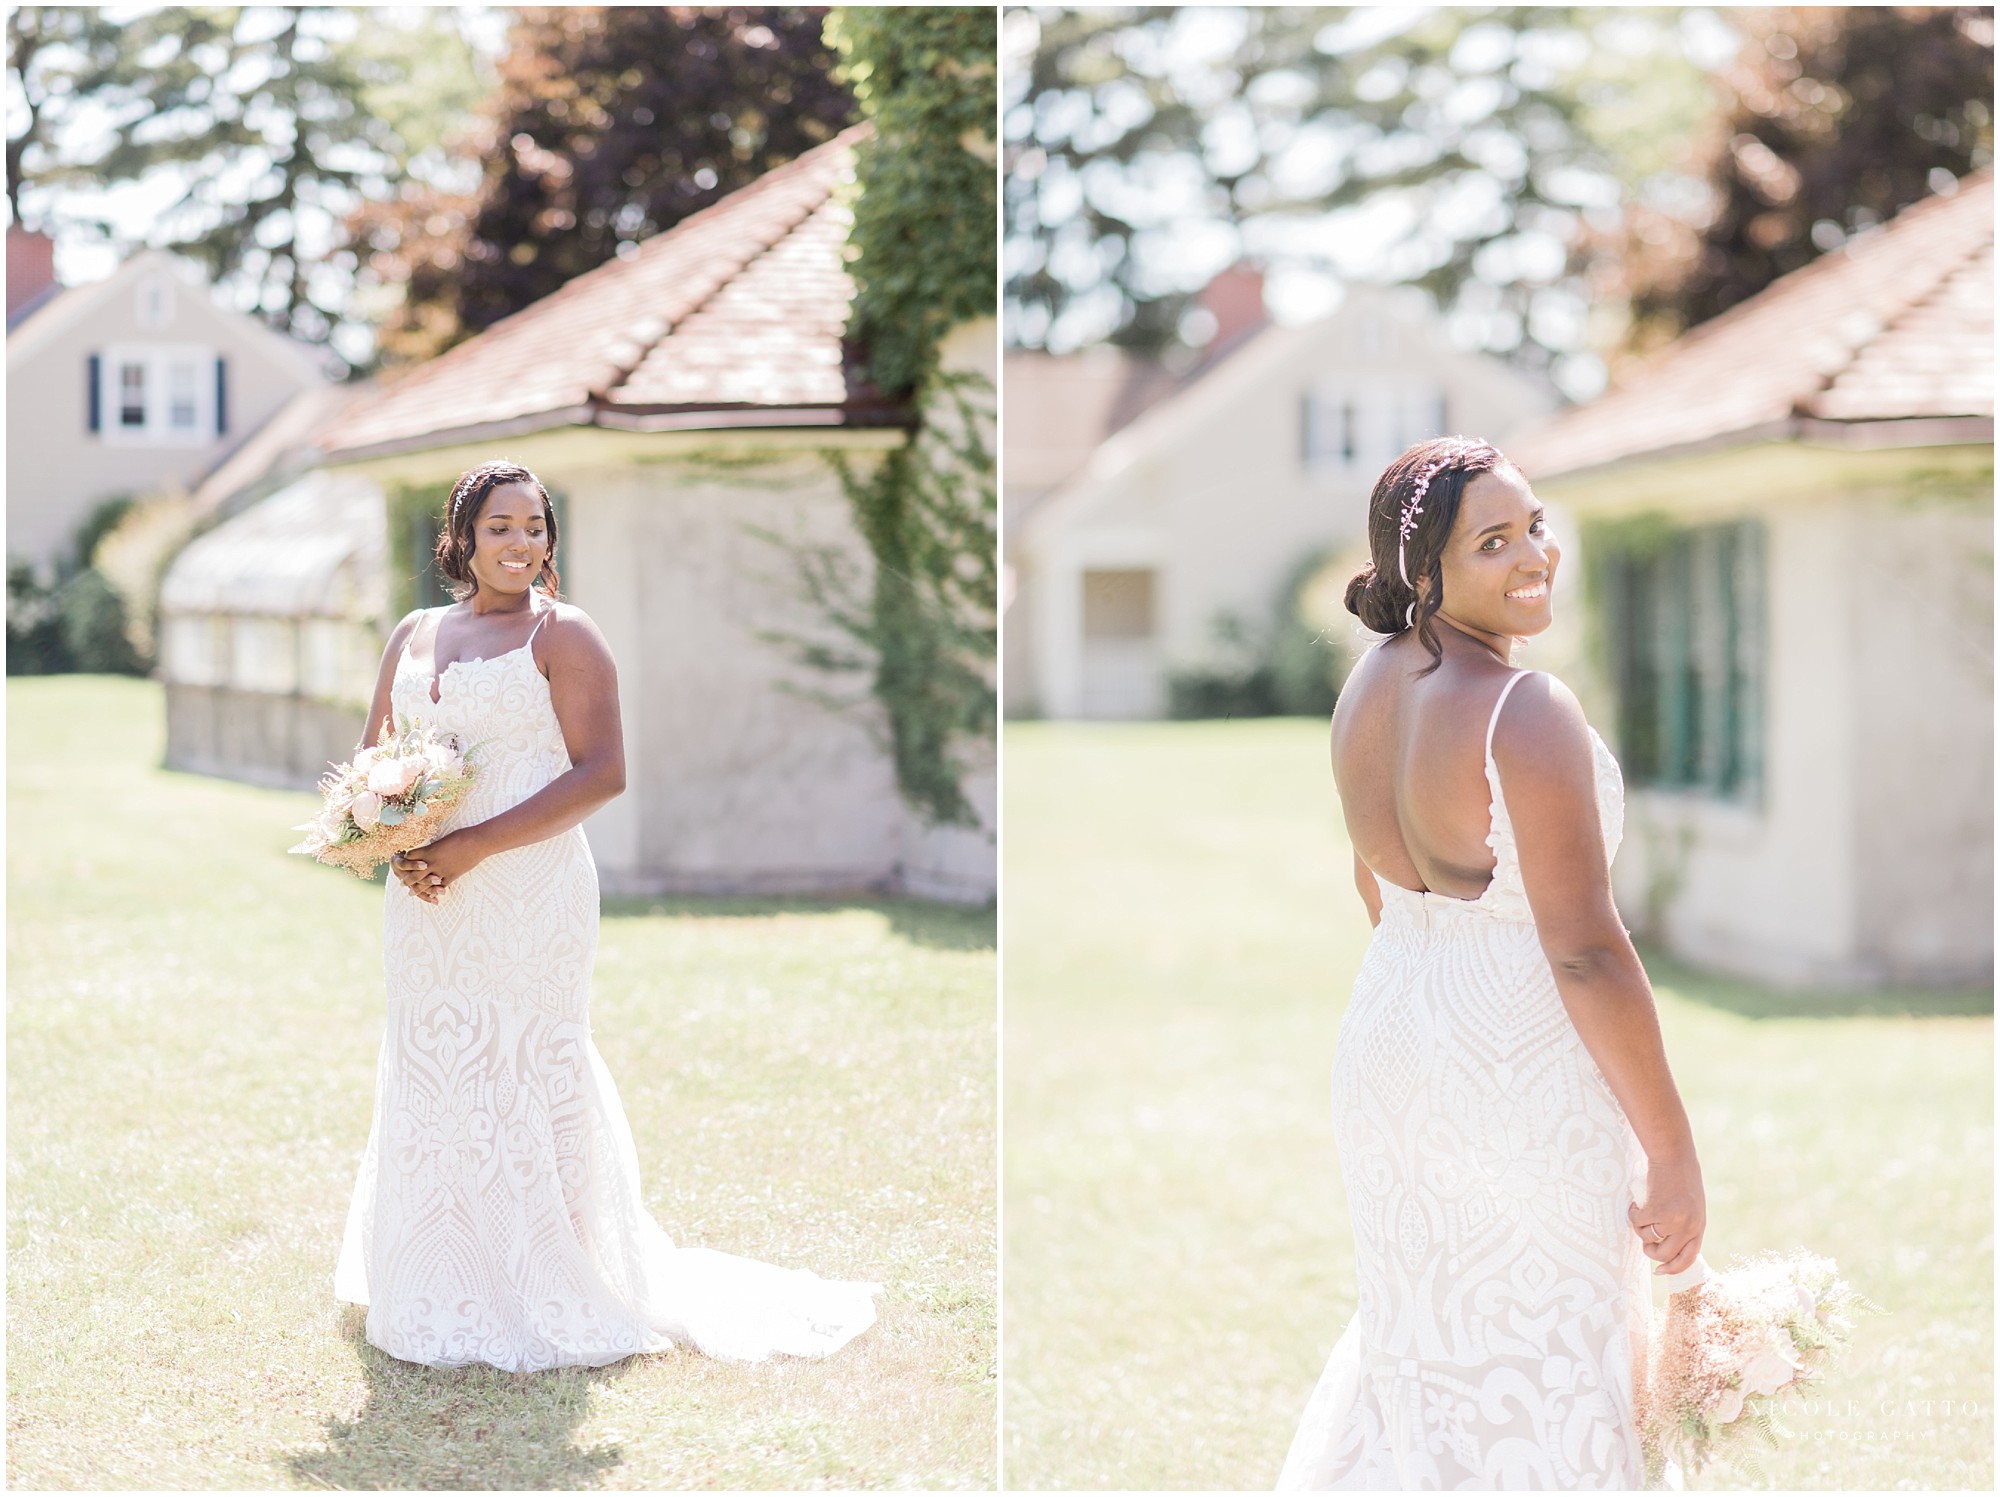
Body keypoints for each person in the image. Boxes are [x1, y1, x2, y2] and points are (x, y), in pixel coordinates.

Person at [333, 459, 880, 1370]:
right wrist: (396, 846)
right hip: (426, 892)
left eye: (535, 528)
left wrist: (474, 846)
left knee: (521, 1053)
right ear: (463, 536)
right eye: (500, 526)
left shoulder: (566, 635)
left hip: (529, 883)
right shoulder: (415, 633)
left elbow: (602, 773)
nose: (519, 544)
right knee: (433, 1051)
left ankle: (553, 1269)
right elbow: (372, 760)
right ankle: (437, 1266)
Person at [1277, 437, 1703, 1489]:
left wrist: (1439, 977)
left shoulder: (1367, 685)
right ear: (1422, 572)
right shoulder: (1527, 710)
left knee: (1424, 1341)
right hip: (1512, 1060)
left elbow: (1377, 888)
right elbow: (1586, 951)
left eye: (1535, 527)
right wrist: (1670, 1150)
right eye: (1493, 543)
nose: (1533, 558)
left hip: (1390, 1037)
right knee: (1550, 1351)